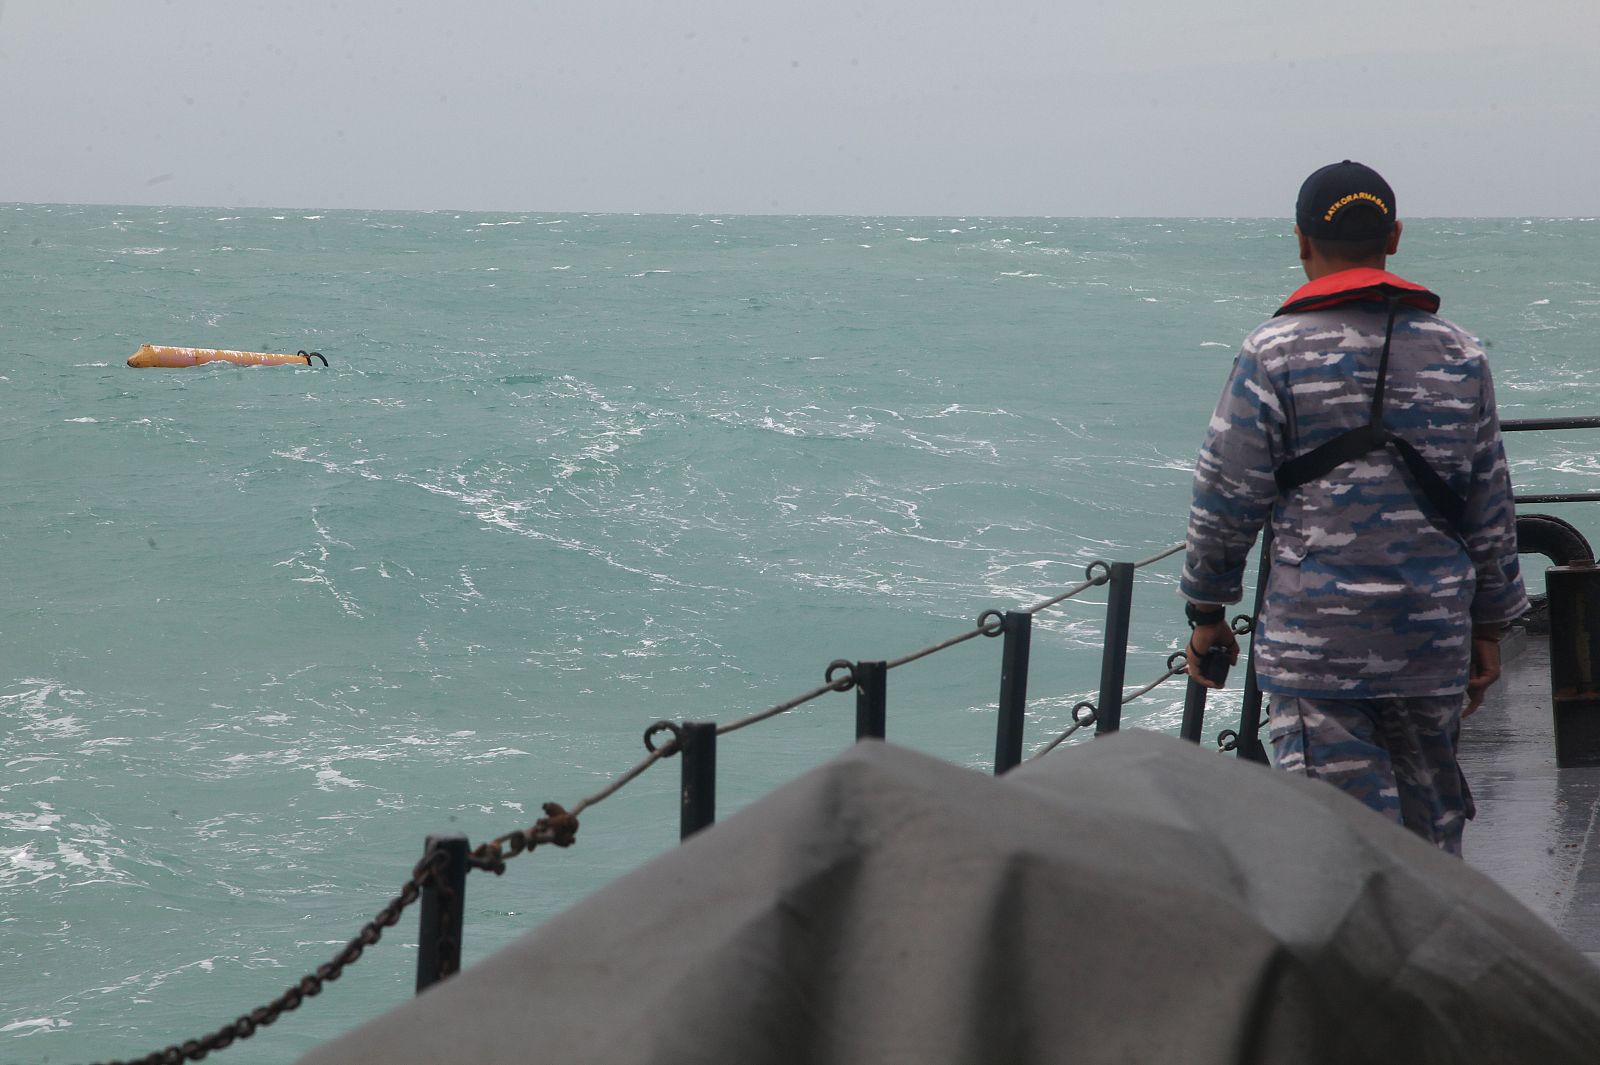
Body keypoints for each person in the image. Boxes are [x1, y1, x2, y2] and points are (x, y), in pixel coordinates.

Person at [1179, 160, 1528, 856]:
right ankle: (1440, 957)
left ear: (1302, 241)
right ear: (1393, 236)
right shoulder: (1461, 353)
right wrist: (1488, 623)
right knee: (1432, 836)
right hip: (1430, 638)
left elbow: (1227, 497)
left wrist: (1208, 613)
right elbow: (1488, 503)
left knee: (1339, 847)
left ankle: (1361, 966)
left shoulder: (1272, 353)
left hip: (1318, 650)